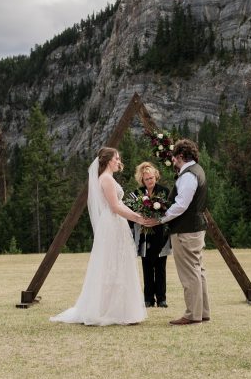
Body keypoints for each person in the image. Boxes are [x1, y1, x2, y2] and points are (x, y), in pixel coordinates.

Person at [51, 148, 153, 326]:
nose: (119, 161)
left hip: (116, 223)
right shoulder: (105, 179)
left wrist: (137, 215)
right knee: (111, 264)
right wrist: (137, 218)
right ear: (107, 161)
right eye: (116, 159)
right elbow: (115, 207)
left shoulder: (108, 178)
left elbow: (120, 204)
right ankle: (108, 309)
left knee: (118, 263)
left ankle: (119, 308)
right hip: (112, 224)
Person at [157, 138, 210, 326]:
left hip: (186, 231)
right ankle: (202, 312)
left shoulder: (188, 175)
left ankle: (192, 314)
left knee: (189, 273)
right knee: (197, 270)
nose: (173, 161)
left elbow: (181, 205)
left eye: (174, 158)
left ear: (180, 156)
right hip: (195, 228)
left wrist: (160, 219)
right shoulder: (198, 171)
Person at [131, 161, 171, 308]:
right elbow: (132, 212)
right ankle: (148, 299)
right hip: (144, 235)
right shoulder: (137, 194)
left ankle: (161, 299)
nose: (150, 181)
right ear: (142, 180)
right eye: (147, 179)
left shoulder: (164, 191)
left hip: (161, 235)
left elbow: (169, 211)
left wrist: (157, 220)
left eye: (152, 178)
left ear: (156, 176)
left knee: (160, 267)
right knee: (147, 267)